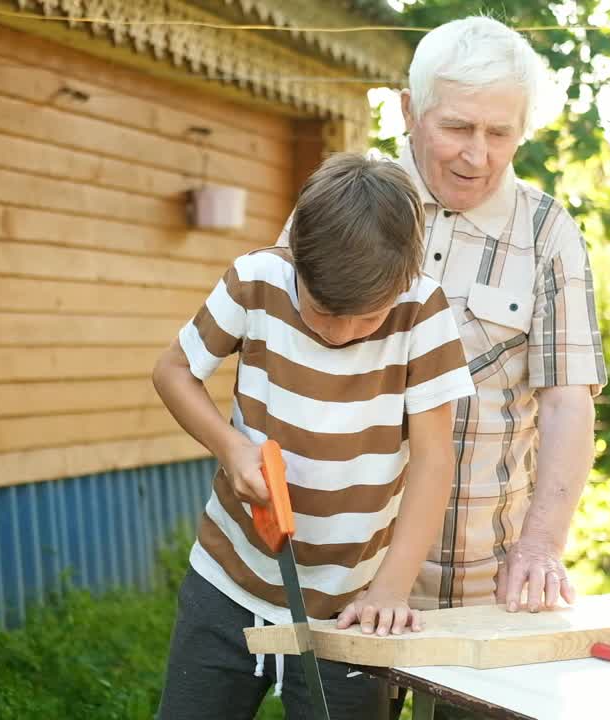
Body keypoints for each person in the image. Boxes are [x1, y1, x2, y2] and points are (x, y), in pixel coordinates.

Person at [278, 16, 608, 614]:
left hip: (481, 582)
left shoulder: (548, 233)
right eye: (457, 126)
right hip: (336, 571)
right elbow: (274, 351)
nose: (477, 155)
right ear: (409, 110)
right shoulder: (340, 203)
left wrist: (540, 547)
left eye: (500, 133)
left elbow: (568, 401)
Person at [152, 152, 476, 719]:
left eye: (367, 317)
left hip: (351, 611)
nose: (343, 333)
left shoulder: (422, 312)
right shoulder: (255, 281)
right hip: (227, 585)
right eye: (325, 311)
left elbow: (432, 461)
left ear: (403, 280)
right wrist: (230, 448)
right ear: (296, 256)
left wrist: (390, 592)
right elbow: (173, 371)